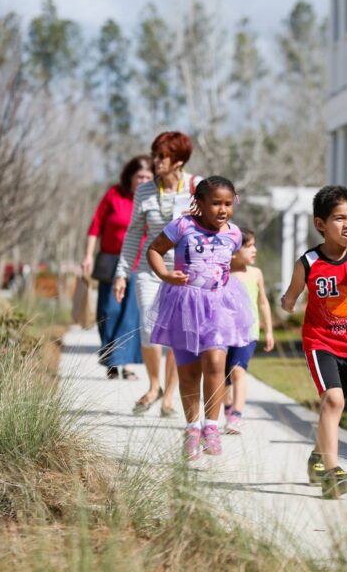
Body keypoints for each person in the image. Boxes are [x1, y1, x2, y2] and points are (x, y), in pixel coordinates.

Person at [281, 186, 347, 499]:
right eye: (339, 219)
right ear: (320, 224)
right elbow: (292, 293)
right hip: (319, 342)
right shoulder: (309, 262)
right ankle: (332, 472)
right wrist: (286, 303)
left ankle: (317, 457)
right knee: (334, 400)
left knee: (334, 407)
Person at [146, 175, 253, 458]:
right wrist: (166, 275)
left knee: (216, 363)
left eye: (228, 204)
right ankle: (192, 427)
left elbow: (231, 261)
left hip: (219, 306)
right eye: (216, 203)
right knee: (189, 371)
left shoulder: (234, 233)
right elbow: (154, 250)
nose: (223, 210)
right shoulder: (182, 226)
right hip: (184, 305)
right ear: (200, 203)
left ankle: (211, 427)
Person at [113, 131, 202, 416]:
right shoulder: (145, 191)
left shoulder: (196, 186)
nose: (155, 161)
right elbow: (133, 235)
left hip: (185, 271)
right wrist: (121, 273)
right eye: (155, 155)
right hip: (150, 270)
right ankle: (154, 386)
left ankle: (169, 397)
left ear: (178, 160)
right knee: (149, 328)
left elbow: (217, 222)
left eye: (162, 156)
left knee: (176, 333)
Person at [82, 155, 153, 379]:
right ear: (130, 177)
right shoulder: (114, 194)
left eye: (148, 177)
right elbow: (95, 225)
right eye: (139, 176)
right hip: (110, 260)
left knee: (131, 313)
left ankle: (127, 364)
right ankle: (112, 360)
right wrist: (88, 255)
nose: (143, 181)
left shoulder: (153, 200)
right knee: (109, 311)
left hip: (138, 262)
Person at [223, 229, 275, 434]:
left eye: (254, 245)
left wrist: (269, 330)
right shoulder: (223, 273)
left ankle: (236, 414)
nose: (255, 250)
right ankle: (227, 407)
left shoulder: (256, 274)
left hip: (248, 332)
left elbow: (263, 303)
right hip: (223, 332)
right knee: (221, 375)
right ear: (234, 251)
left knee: (238, 370)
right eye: (249, 246)